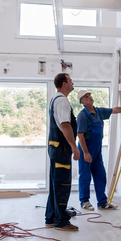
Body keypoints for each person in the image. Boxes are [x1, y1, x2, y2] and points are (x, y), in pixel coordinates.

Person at [76, 90, 121, 211]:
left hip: (97, 150)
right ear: (82, 102)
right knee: (85, 176)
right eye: (86, 97)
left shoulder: (98, 112)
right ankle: (84, 201)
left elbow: (115, 110)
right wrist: (86, 152)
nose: (89, 97)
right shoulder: (83, 115)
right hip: (86, 150)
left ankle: (102, 202)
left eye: (89, 95)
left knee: (100, 175)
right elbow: (80, 135)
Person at [45, 73, 81, 231]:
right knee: (62, 185)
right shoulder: (62, 101)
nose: (73, 83)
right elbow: (65, 125)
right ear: (64, 84)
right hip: (62, 148)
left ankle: (51, 218)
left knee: (55, 184)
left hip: (55, 147)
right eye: (70, 80)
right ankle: (61, 222)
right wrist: (74, 146)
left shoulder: (54, 99)